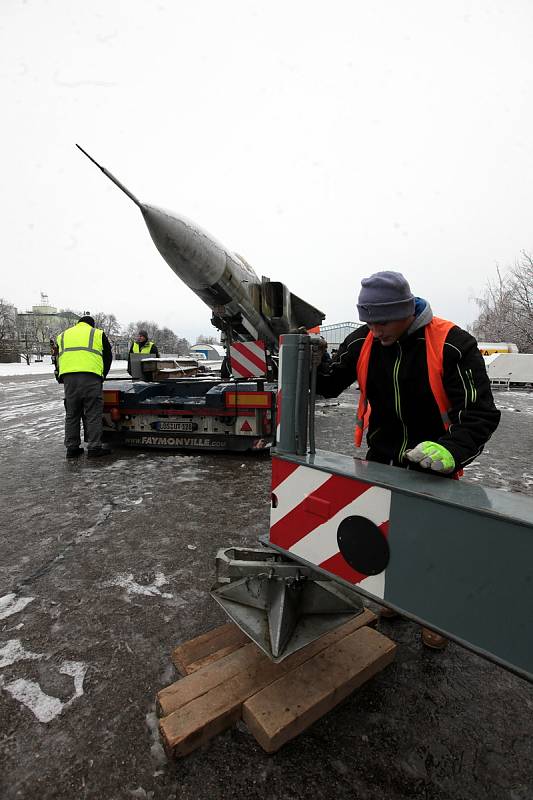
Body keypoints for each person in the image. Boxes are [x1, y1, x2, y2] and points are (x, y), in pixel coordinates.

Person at [316, 271, 501, 648]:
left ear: (405, 312)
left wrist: (451, 450)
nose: (375, 329)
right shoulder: (364, 340)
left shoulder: (451, 343)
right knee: (388, 535)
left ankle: (435, 614)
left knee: (434, 542)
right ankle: (399, 600)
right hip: (382, 457)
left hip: (432, 464)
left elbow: (480, 412)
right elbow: (327, 385)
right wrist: (311, 358)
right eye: (369, 321)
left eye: (382, 321)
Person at [56, 315, 113, 458]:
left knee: (72, 414)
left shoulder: (63, 335)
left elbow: (57, 357)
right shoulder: (97, 333)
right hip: (91, 376)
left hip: (69, 378)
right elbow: (108, 356)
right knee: (93, 413)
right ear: (91, 324)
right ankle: (94, 448)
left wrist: (59, 375)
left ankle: (72, 448)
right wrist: (102, 375)